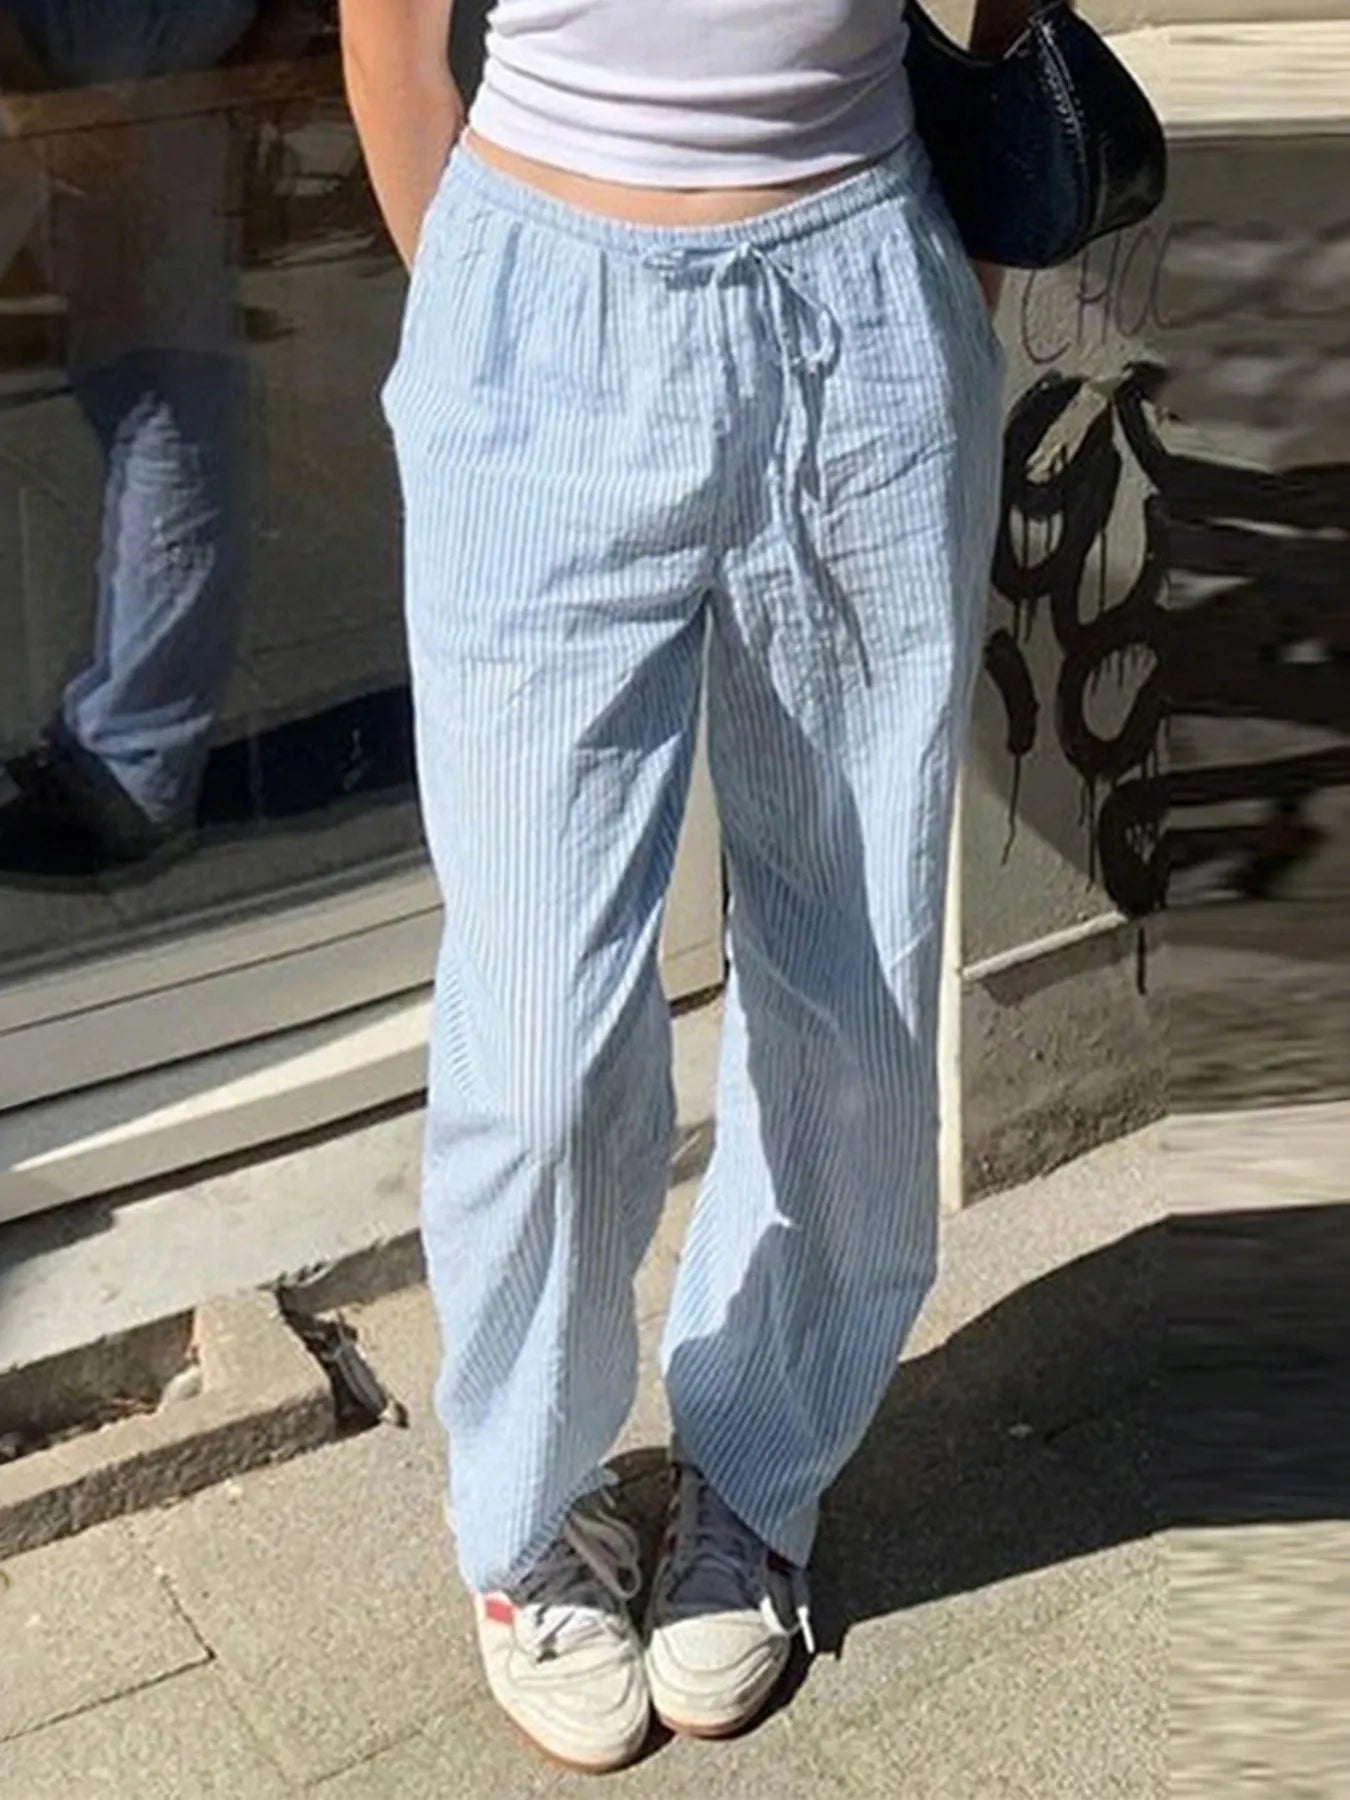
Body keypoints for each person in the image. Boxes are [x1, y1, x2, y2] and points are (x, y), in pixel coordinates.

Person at [341, 0, 1019, 1773]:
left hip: (861, 294)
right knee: (545, 1033)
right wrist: (476, 345)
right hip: (537, 305)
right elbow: (393, 45)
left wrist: (949, 262)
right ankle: (531, 1511)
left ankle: (760, 1465)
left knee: (854, 976)